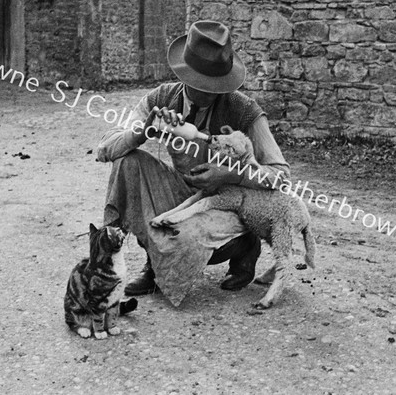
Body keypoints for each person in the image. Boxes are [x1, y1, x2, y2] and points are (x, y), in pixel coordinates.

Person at [97, 20, 290, 299]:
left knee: (187, 237)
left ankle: (244, 247)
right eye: (202, 84)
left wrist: (231, 175)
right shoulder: (161, 99)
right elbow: (105, 148)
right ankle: (151, 267)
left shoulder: (244, 110)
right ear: (185, 76)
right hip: (185, 192)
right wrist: (143, 131)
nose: (211, 92)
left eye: (218, 84)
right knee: (128, 163)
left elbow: (281, 176)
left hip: (228, 202)